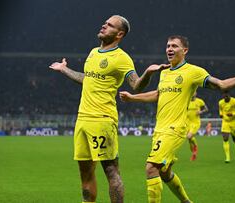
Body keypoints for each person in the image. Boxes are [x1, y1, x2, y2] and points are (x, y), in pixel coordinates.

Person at [119, 35, 235, 203]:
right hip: (159, 129)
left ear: (185, 51)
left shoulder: (193, 71)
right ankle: (186, 201)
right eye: (168, 46)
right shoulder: (165, 73)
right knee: (164, 171)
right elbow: (158, 94)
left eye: (174, 46)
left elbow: (221, 85)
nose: (169, 49)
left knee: (151, 168)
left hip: (174, 129)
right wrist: (133, 98)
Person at [49, 15, 170, 203]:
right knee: (86, 173)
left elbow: (136, 85)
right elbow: (86, 78)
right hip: (82, 120)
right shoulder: (93, 52)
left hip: (102, 120)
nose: (104, 26)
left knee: (111, 171)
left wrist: (148, 73)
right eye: (105, 23)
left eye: (110, 25)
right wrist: (64, 69)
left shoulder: (121, 58)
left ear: (119, 33)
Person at [219, 91, 235, 163]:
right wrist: (221, 114)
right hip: (225, 122)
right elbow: (221, 110)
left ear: (229, 95)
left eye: (227, 96)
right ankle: (227, 157)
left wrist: (233, 114)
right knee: (225, 138)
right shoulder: (220, 102)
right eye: (224, 96)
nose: (225, 97)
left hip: (234, 123)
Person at [186, 92, 208, 161]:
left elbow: (206, 109)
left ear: (196, 93)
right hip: (186, 123)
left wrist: (201, 112)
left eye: (194, 92)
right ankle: (193, 153)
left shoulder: (199, 101)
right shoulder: (186, 101)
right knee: (189, 139)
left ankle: (195, 148)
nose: (192, 94)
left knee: (189, 137)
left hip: (195, 123)